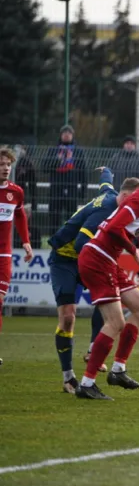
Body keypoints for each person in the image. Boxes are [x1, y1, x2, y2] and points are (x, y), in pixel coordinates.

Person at [75, 156, 139, 400]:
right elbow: (113, 228)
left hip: (107, 260)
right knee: (116, 323)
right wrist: (133, 251)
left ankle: (118, 370)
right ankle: (87, 383)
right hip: (97, 258)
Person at [47, 169, 139, 390]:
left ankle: (93, 347)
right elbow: (82, 243)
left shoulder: (112, 195)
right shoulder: (106, 210)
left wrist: (106, 172)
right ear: (128, 197)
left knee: (109, 300)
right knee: (68, 317)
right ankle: (68, 377)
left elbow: (105, 183)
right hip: (65, 259)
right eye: (137, 201)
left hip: (88, 259)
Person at [0, 146, 33, 366]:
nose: (5, 168)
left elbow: (20, 215)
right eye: (2, 164)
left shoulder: (16, 192)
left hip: (4, 254)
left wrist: (26, 242)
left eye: (8, 165)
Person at [45, 125, 87, 236]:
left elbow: (83, 172)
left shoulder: (78, 151)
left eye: (69, 133)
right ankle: (53, 239)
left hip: (72, 188)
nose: (67, 135)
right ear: (61, 135)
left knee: (71, 216)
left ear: (72, 136)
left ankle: (70, 239)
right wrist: (57, 160)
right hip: (56, 188)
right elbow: (44, 168)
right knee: (54, 216)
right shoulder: (53, 150)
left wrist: (83, 191)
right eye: (64, 133)